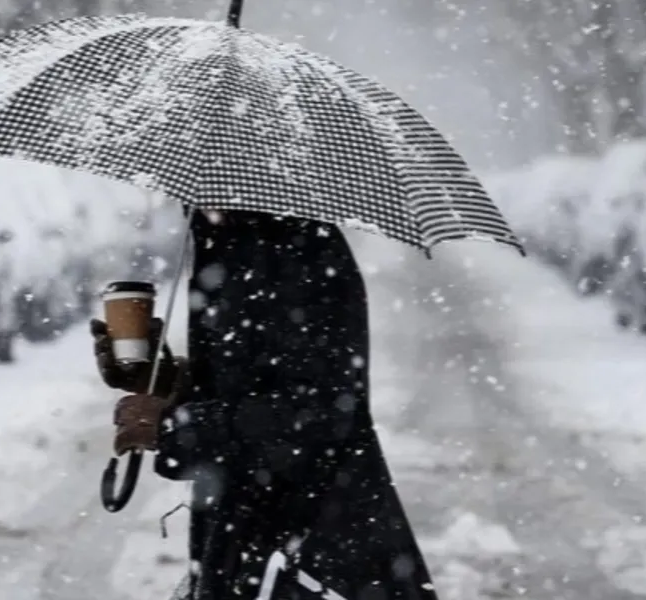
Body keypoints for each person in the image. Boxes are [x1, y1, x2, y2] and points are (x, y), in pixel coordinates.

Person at [92, 209, 438, 600]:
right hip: (250, 535)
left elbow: (320, 412)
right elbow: (248, 380)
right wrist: (162, 378)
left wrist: (177, 427)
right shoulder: (229, 240)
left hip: (305, 539)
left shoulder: (298, 252)